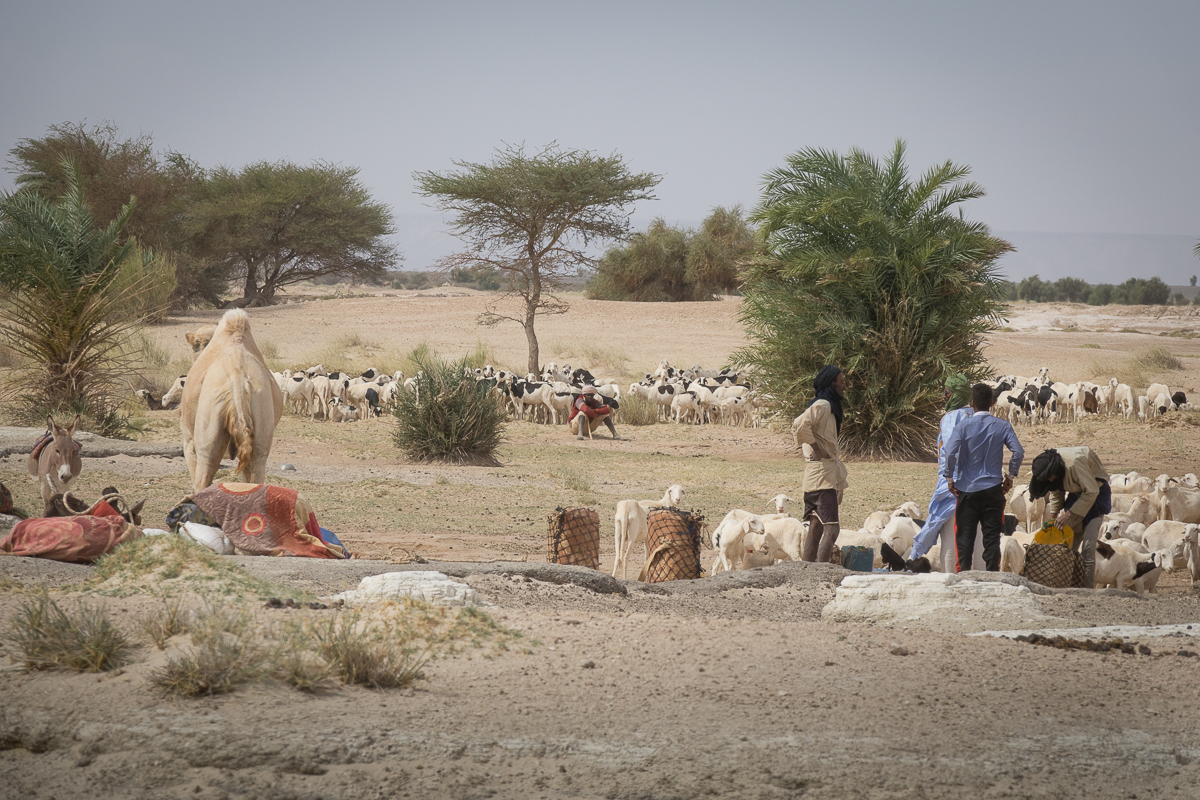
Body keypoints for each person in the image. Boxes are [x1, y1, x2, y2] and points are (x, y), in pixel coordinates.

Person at [942, 383, 1024, 572]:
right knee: (991, 538)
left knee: (964, 538)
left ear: (973, 403)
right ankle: (992, 576)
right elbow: (1018, 452)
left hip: (967, 490)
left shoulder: (963, 426)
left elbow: (950, 452)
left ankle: (964, 573)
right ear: (993, 403)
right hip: (993, 490)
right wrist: (1010, 476)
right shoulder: (1002, 426)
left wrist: (949, 478)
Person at [910, 374, 986, 572]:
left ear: (956, 395)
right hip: (982, 486)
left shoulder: (952, 418)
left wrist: (952, 480)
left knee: (951, 539)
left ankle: (951, 583)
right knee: (977, 538)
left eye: (946, 393)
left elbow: (954, 449)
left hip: (955, 486)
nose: (943, 397)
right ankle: (981, 585)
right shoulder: (979, 416)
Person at [1027, 447, 1111, 588]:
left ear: (1055, 472)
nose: (1050, 479)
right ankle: (1067, 584)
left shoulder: (1074, 463)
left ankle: (1086, 590)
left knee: (1088, 548)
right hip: (1076, 496)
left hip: (1095, 495)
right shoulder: (1049, 464)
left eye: (1051, 477)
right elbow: (1056, 490)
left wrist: (1068, 515)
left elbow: (1091, 492)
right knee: (1067, 546)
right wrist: (1053, 517)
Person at [792, 365, 848, 563]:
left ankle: (808, 572)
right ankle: (821, 573)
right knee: (832, 529)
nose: (844, 387)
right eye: (842, 382)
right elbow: (799, 425)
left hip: (816, 476)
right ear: (832, 383)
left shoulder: (825, 406)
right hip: (822, 476)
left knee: (816, 528)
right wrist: (816, 448)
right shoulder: (823, 405)